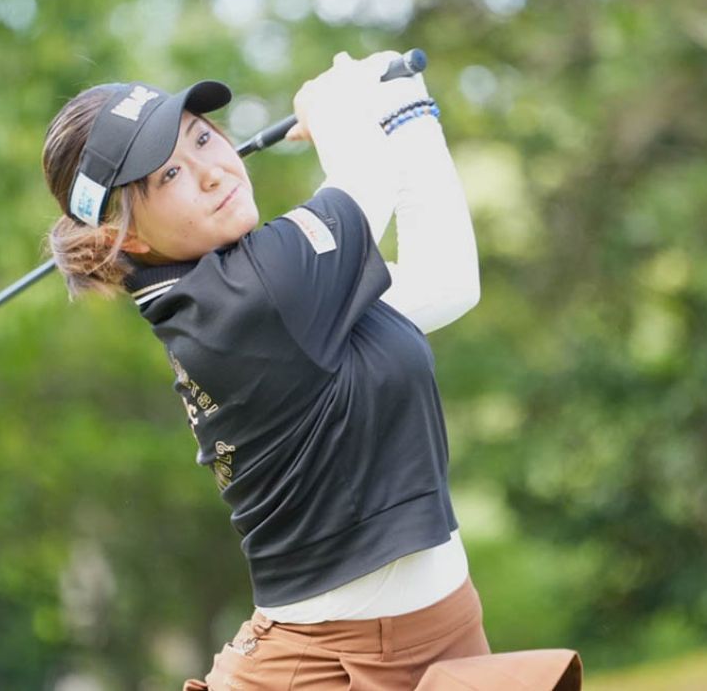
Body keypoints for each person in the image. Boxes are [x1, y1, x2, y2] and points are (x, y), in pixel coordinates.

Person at [41, 51, 490, 689]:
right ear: (130, 237)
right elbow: (365, 174)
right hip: (327, 665)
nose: (212, 172)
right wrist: (336, 103)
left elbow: (445, 282)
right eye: (170, 174)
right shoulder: (256, 295)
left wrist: (407, 107)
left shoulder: (244, 292)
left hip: (433, 636)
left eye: (202, 138)